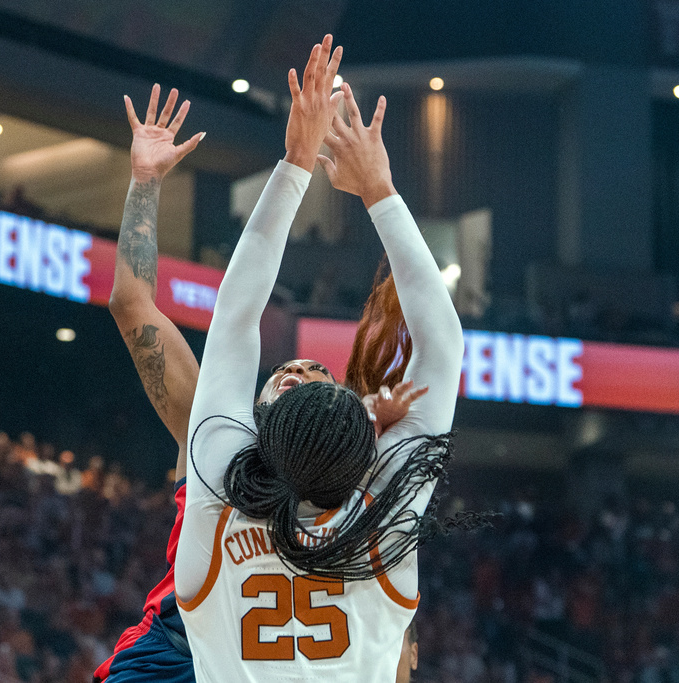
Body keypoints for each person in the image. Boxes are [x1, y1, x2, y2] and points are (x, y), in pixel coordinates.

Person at [95, 70, 428, 682]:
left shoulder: (362, 495)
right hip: (178, 655)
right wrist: (143, 183)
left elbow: (389, 643)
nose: (300, 369)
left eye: (316, 374)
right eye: (291, 368)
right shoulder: (213, 428)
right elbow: (132, 305)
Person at [175, 34, 465, 682]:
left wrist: (296, 163)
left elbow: (233, 322)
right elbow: (443, 346)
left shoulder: (220, 491)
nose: (304, 371)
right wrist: (377, 189)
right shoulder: (383, 514)